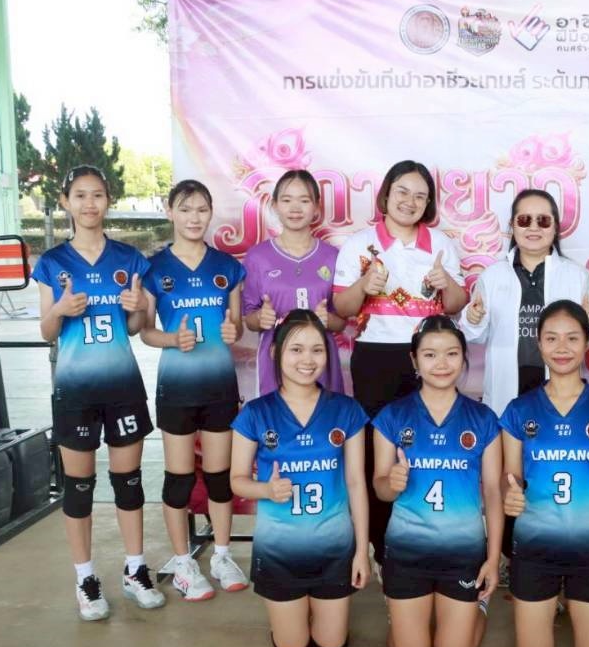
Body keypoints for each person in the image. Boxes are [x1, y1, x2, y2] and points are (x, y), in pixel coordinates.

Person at [32, 165, 162, 620]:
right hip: (75, 390)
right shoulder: (53, 263)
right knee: (79, 487)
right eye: (80, 195)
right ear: (65, 201)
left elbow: (136, 327)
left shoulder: (128, 259)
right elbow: (46, 331)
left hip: (122, 385)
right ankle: (85, 578)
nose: (90, 204)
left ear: (109, 200)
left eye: (98, 195)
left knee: (129, 482)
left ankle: (135, 569)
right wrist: (61, 309)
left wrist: (138, 308)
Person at [459, 188, 589, 579]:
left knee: (546, 474)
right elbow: (474, 335)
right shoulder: (493, 275)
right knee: (507, 480)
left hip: (557, 395)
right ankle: (510, 558)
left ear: (556, 227)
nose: (534, 227)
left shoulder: (576, 275)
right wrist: (472, 316)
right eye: (524, 219)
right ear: (512, 226)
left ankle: (553, 561)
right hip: (508, 394)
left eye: (544, 220)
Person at [333, 161, 467, 571]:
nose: (410, 201)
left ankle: (427, 539)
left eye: (420, 196)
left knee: (428, 449)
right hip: (376, 357)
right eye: (403, 192)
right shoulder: (359, 244)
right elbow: (341, 308)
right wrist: (363, 286)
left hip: (429, 358)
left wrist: (448, 285)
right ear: (386, 195)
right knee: (379, 454)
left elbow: (457, 305)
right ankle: (382, 547)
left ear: (429, 204)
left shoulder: (441, 244)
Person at [230, 310, 371, 647]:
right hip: (279, 551)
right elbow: (237, 480)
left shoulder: (346, 410)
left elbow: (356, 483)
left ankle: (313, 613)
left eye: (317, 350)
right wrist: (267, 490)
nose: (307, 360)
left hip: (334, 548)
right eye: (296, 349)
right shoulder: (255, 414)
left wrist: (361, 552)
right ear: (275, 352)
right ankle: (289, 619)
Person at [500, 301, 589, 647]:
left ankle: (572, 599)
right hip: (534, 547)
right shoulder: (519, 410)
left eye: (572, 338)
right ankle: (550, 601)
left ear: (588, 343)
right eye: (552, 338)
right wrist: (511, 495)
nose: (562, 347)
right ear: (539, 344)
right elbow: (510, 478)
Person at [372, 316, 503, 647]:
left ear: (464, 358)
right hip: (407, 550)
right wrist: (391, 482)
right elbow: (380, 490)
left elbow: (493, 492)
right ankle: (399, 612)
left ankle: (478, 606)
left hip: (463, 552)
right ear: (414, 360)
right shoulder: (392, 417)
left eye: (451, 354)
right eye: (430, 355)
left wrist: (493, 559)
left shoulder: (483, 419)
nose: (441, 364)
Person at [140, 179, 249, 600]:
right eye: (185, 209)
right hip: (176, 387)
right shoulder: (154, 269)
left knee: (220, 478)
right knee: (180, 478)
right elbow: (145, 331)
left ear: (210, 213)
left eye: (202, 209)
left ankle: (221, 555)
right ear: (170, 212)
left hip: (219, 385)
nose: (194, 217)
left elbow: (236, 326)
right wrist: (172, 339)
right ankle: (184, 562)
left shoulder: (227, 267)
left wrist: (233, 330)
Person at [242, 169, 345, 397]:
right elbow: (249, 319)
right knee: (276, 417)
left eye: (304, 200)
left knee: (325, 416)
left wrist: (328, 320)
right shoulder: (258, 257)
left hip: (319, 361)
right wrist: (260, 318)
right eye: (287, 200)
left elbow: (341, 322)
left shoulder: (333, 256)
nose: (295, 208)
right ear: (275, 205)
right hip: (274, 361)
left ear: (316, 207)